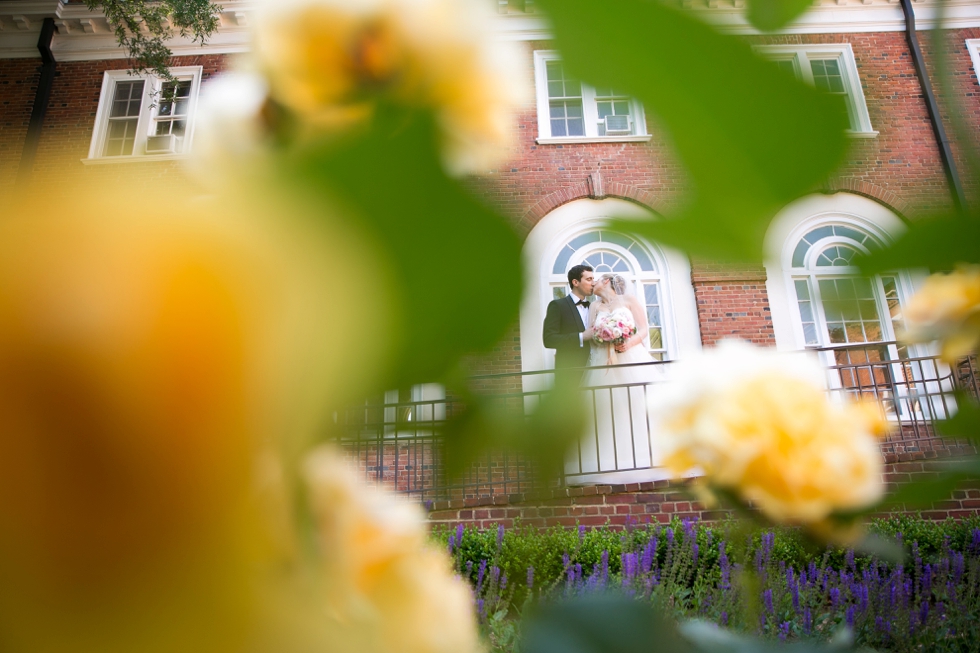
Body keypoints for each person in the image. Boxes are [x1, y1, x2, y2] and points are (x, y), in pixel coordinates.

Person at [571, 273, 664, 483]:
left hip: (630, 356)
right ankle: (609, 463)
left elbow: (643, 330)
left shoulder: (630, 301)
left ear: (606, 281)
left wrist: (627, 343)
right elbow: (592, 333)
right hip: (604, 363)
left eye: (596, 279)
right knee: (607, 409)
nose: (592, 282)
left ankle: (647, 458)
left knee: (638, 405)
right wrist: (602, 336)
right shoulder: (594, 307)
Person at [542, 264, 595, 370]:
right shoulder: (557, 305)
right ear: (575, 282)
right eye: (589, 279)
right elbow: (549, 340)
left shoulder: (593, 307)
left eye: (593, 279)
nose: (593, 283)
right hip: (570, 373)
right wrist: (581, 337)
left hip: (594, 372)